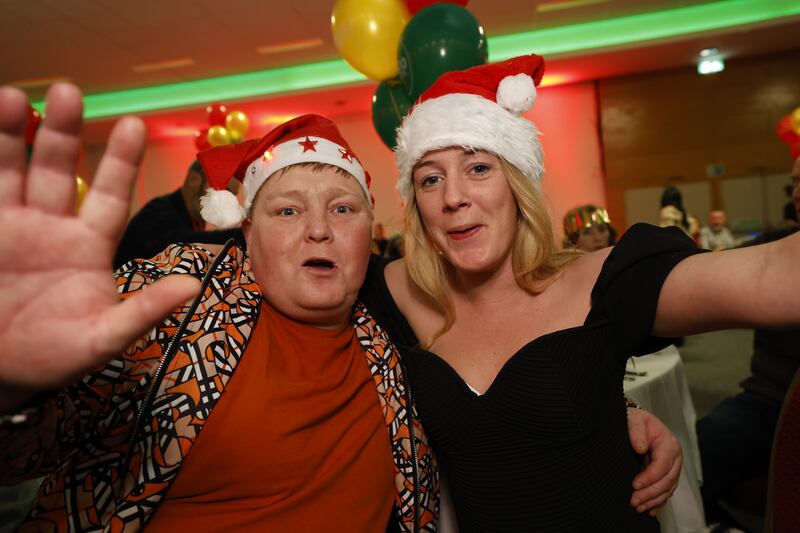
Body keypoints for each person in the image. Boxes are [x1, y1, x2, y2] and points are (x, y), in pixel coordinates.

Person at [0, 84, 679, 531]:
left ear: (372, 231)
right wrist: (16, 385)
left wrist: (607, 410)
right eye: (288, 209)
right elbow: (26, 451)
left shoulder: (389, 322)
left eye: (343, 208)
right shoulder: (178, 299)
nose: (318, 230)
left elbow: (489, 389)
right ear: (246, 233)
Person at [357, 54, 800, 531]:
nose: (453, 196)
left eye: (479, 168)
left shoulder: (604, 281)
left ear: (517, 183)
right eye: (430, 178)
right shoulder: (391, 293)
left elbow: (769, 275)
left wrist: (607, 410)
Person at [697, 156, 800, 530]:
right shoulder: (773, 245)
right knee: (691, 459)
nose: (798, 192)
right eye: (794, 183)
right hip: (767, 401)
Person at [112, 159, 245, 269]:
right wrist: (245, 233)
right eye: (222, 191)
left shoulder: (193, 218)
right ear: (194, 180)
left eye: (232, 195)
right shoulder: (157, 211)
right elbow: (177, 248)